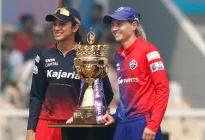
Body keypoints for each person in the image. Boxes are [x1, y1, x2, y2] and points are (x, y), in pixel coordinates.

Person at [26, 7, 114, 140]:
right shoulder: (43, 56)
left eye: (62, 24)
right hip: (46, 126)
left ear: (75, 27)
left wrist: (85, 116)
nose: (56, 28)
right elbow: (36, 96)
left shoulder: (88, 57)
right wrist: (30, 130)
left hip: (75, 126)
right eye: (54, 24)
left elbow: (106, 93)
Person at [100, 7, 169, 140]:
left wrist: (153, 125)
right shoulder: (119, 55)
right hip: (123, 124)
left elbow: (163, 89)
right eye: (113, 25)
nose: (114, 29)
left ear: (134, 25)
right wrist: (115, 116)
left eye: (119, 24)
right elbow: (127, 95)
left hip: (143, 124)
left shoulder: (149, 51)